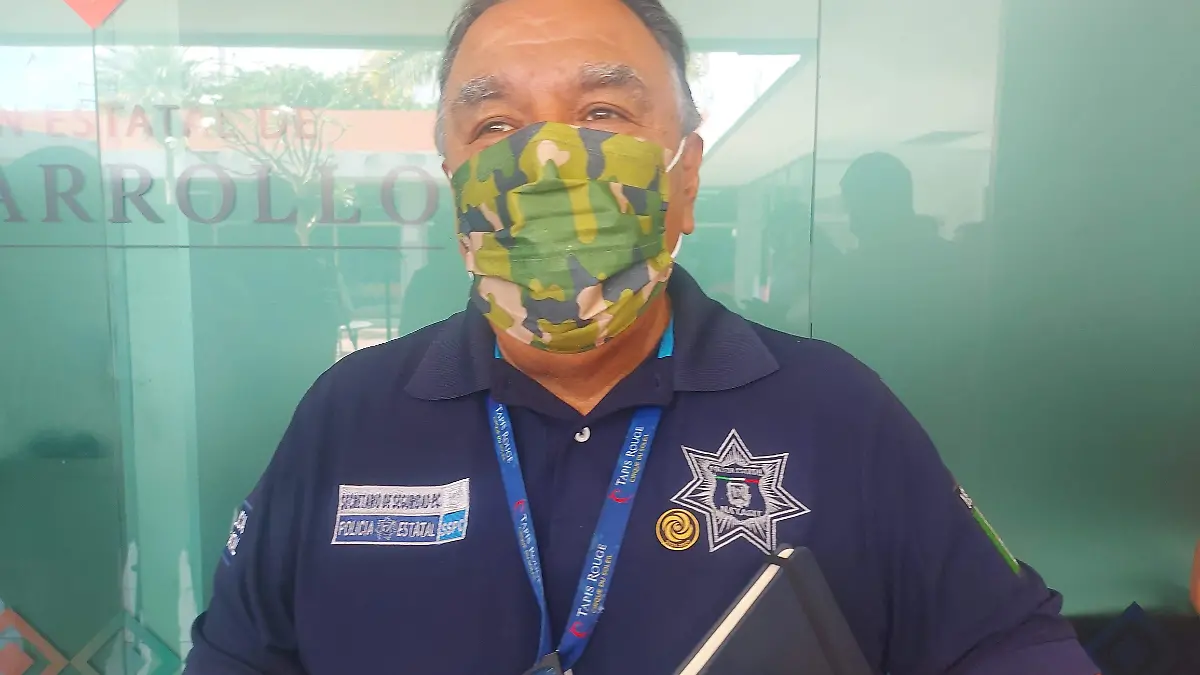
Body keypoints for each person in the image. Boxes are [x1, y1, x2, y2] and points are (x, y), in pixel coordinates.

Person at [183, 1, 1099, 673]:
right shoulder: (348, 418)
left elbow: (1008, 646)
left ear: (685, 179)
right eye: (495, 124)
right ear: (454, 183)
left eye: (603, 114)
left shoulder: (835, 411)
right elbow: (239, 657)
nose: (547, 161)